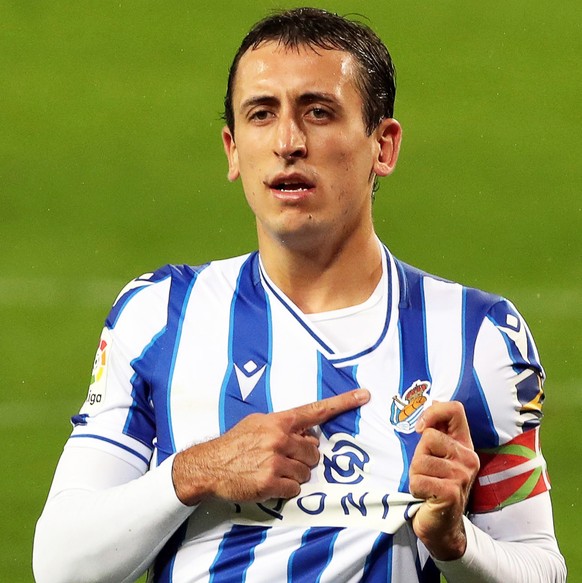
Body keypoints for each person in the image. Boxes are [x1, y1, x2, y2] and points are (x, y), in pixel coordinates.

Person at [33, 7, 566, 582]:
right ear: (233, 150)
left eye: (318, 111)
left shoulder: (478, 335)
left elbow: (542, 569)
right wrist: (196, 472)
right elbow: (62, 566)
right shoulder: (160, 315)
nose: (288, 142)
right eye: (262, 115)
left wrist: (456, 542)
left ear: (383, 147)